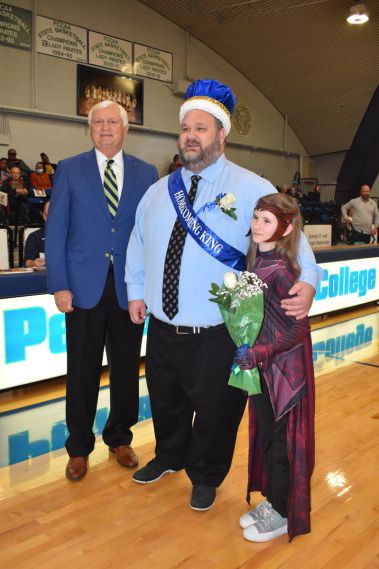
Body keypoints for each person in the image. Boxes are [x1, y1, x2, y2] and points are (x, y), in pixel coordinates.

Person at [125, 79, 322, 511]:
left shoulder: (252, 186)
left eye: (201, 128)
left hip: (217, 330)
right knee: (166, 400)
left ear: (221, 134)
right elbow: (138, 243)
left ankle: (206, 474)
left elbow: (295, 237)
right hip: (161, 326)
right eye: (185, 129)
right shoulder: (158, 192)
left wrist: (308, 279)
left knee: (216, 411)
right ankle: (170, 455)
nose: (190, 136)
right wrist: (136, 290)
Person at [45, 100, 158, 482]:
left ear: (126, 129)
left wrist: (146, 287)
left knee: (126, 367)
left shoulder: (147, 173)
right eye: (98, 122)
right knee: (81, 370)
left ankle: (120, 437)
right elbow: (56, 230)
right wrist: (59, 283)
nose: (106, 127)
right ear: (90, 129)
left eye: (113, 121)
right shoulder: (69, 169)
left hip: (130, 288)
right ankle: (78, 447)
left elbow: (149, 235)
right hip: (82, 288)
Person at [234, 193, 315, 542]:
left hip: (285, 373)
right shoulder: (255, 263)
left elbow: (299, 328)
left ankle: (283, 513)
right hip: (265, 370)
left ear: (285, 229)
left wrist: (262, 351)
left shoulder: (283, 270)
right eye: (255, 217)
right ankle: (272, 501)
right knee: (267, 437)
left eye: (266, 220)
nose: (257, 225)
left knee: (283, 445)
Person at [24, 201, 49, 268]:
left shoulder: (73, 236)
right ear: (44, 216)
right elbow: (27, 262)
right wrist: (34, 263)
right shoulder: (35, 236)